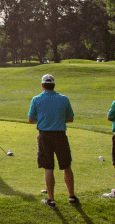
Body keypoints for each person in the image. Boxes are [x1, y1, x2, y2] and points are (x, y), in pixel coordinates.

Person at [28, 73, 78, 209]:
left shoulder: (36, 99)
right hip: (60, 135)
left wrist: (43, 119)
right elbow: (70, 118)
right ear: (54, 85)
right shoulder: (63, 99)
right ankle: (72, 196)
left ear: (42, 85)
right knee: (66, 166)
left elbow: (31, 119)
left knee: (49, 167)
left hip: (44, 136)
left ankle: (51, 199)